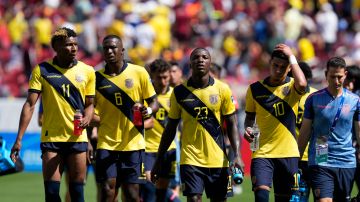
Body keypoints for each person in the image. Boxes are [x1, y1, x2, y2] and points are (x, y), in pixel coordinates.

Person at [10, 27, 96, 202]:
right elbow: (30, 104)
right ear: (56, 46)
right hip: (52, 139)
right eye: (68, 45)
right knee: (51, 194)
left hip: (77, 138)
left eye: (75, 44)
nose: (73, 48)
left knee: (77, 194)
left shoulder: (88, 71)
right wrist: (19, 139)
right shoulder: (42, 70)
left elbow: (90, 105)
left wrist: (87, 117)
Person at [152, 48, 243, 202]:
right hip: (190, 159)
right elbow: (170, 128)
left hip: (219, 160)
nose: (200, 60)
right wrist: (159, 159)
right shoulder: (180, 92)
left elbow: (232, 124)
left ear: (210, 62)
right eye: (196, 57)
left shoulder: (223, 89)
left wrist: (237, 155)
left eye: (204, 57)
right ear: (190, 63)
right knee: (194, 199)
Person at [92, 34, 158, 202]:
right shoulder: (95, 78)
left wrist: (148, 111)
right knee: (107, 189)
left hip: (133, 143)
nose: (109, 51)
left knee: (132, 193)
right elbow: (89, 110)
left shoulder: (139, 72)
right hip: (106, 142)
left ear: (122, 50)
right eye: (105, 48)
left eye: (113, 47)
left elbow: (154, 102)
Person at [244, 43, 307, 201]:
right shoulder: (254, 89)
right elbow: (250, 118)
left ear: (289, 69)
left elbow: (303, 84)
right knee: (261, 196)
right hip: (262, 152)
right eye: (275, 65)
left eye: (283, 67)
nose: (278, 70)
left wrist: (291, 56)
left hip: (288, 153)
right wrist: (248, 129)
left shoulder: (292, 87)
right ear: (269, 64)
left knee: (283, 198)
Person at [298, 57, 360, 201]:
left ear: (345, 74)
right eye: (332, 77)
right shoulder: (313, 99)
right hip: (321, 158)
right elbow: (305, 132)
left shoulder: (355, 101)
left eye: (339, 77)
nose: (336, 81)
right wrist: (296, 161)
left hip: (346, 160)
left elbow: (358, 131)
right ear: (326, 74)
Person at [142, 59, 180, 202]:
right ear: (152, 76)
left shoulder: (176, 95)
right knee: (149, 184)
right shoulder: (146, 96)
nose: (163, 81)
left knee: (161, 191)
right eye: (159, 77)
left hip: (169, 150)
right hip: (148, 149)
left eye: (165, 77)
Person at [288, 61, 317, 200]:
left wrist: (322, 158)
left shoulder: (317, 97)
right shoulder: (287, 96)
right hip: (297, 157)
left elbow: (323, 130)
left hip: (310, 158)